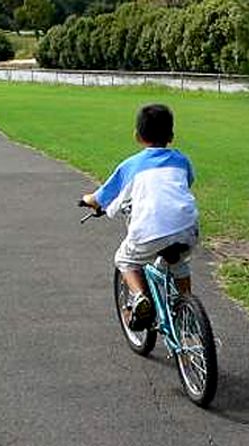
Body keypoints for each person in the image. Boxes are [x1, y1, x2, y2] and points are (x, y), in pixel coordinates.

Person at [80, 104, 199, 331]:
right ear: (171, 136)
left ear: (137, 135)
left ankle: (139, 296)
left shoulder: (130, 166)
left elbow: (101, 198)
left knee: (125, 259)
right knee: (178, 261)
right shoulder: (182, 160)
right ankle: (187, 310)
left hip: (150, 232)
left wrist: (87, 200)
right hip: (188, 228)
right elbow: (187, 182)